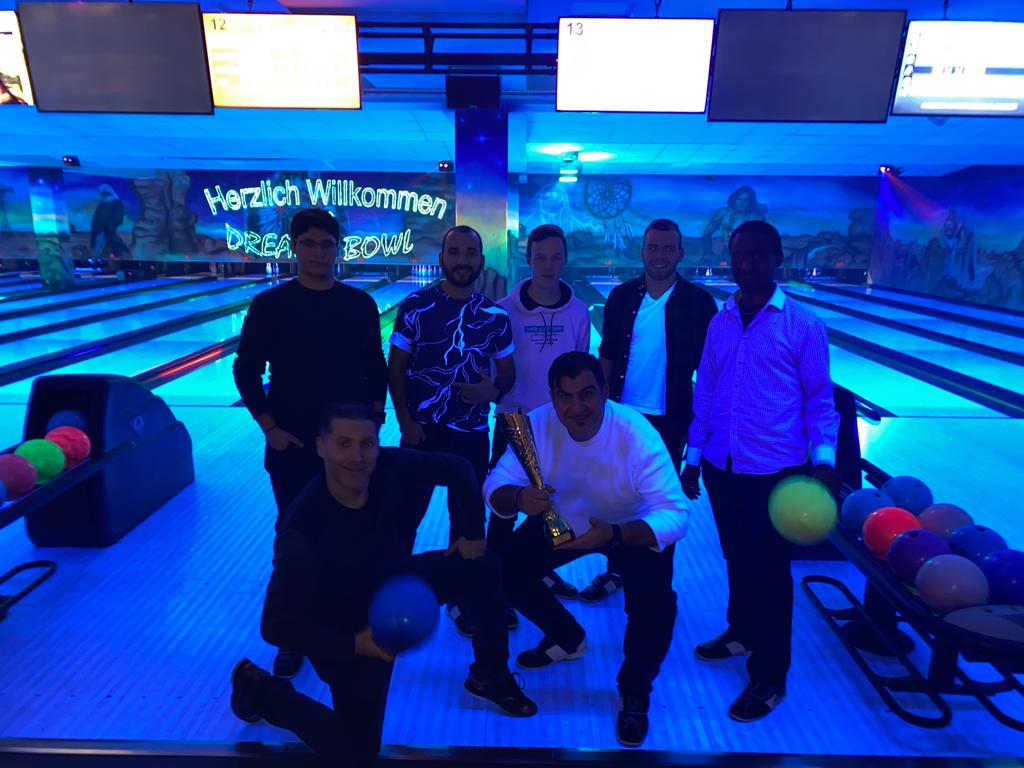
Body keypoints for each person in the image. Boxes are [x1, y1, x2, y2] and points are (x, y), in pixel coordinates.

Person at [230, 403, 537, 766]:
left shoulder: (388, 465)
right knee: (357, 751)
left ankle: (490, 675)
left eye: (367, 443)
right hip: (347, 626)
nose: (357, 456)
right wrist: (354, 644)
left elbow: (459, 468)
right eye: (343, 444)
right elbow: (276, 625)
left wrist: (473, 533)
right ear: (321, 446)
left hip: (395, 582)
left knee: (483, 566)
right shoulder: (302, 531)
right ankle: (261, 689)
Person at [485, 352, 689, 748]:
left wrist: (615, 535)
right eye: (565, 396)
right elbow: (495, 485)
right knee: (507, 571)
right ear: (552, 397)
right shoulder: (536, 425)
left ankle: (634, 690)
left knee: (654, 609)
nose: (577, 407)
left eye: (587, 394)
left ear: (606, 392)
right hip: (563, 522)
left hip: (631, 528)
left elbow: (676, 515)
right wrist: (519, 497)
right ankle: (567, 637)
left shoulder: (637, 434)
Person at [682, 220, 840, 723]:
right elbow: (706, 391)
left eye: (757, 255)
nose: (746, 265)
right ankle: (741, 631)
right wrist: (692, 457)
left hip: (776, 469)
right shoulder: (721, 321)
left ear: (777, 259)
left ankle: (770, 676)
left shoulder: (803, 325)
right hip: (721, 464)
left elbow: (820, 401)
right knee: (736, 555)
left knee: (770, 572)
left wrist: (825, 463)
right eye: (739, 256)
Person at [233, 208, 387, 678]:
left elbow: (375, 367)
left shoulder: (359, 305)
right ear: (294, 247)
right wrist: (270, 428)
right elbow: (245, 370)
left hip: (350, 446)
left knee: (354, 531)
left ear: (338, 249)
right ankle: (292, 633)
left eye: (326, 244)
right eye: (309, 243)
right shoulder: (271, 305)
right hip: (293, 444)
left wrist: (375, 420)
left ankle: (350, 615)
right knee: (296, 536)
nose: (319, 253)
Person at [388, 224, 515, 635]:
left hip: (471, 435)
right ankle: (395, 589)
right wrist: (405, 421)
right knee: (404, 516)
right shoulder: (415, 306)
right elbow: (396, 368)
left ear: (481, 261)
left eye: (470, 253)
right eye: (454, 252)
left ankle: (461, 598)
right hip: (421, 432)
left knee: (466, 519)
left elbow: (508, 373)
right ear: (442, 258)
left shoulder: (495, 317)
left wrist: (491, 391)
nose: (462, 260)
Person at [589, 219, 716, 604]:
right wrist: (599, 412)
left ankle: (657, 582)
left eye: (668, 248)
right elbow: (607, 356)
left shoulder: (699, 303)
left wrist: (699, 433)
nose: (659, 255)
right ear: (642, 251)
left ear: (680, 253)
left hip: (671, 419)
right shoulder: (621, 297)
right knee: (618, 497)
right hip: (622, 414)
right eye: (653, 247)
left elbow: (708, 374)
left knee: (661, 503)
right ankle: (617, 571)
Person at [493, 223, 591, 600]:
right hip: (514, 420)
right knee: (504, 507)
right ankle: (496, 585)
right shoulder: (505, 311)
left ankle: (540, 574)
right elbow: (495, 370)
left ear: (565, 260)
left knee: (554, 509)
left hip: (558, 426)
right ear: (529, 259)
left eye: (555, 257)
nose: (548, 265)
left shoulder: (579, 312)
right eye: (540, 257)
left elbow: (581, 369)